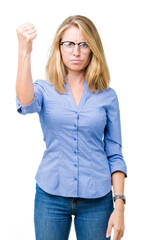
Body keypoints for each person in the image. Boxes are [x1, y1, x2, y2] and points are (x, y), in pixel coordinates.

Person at [15, 15, 127, 240]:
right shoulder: (45, 90)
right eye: (69, 44)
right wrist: (24, 52)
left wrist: (120, 206)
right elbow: (25, 102)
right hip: (50, 197)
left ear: (93, 48)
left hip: (97, 201)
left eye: (83, 44)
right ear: (59, 47)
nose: (76, 52)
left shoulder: (108, 96)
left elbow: (114, 153)